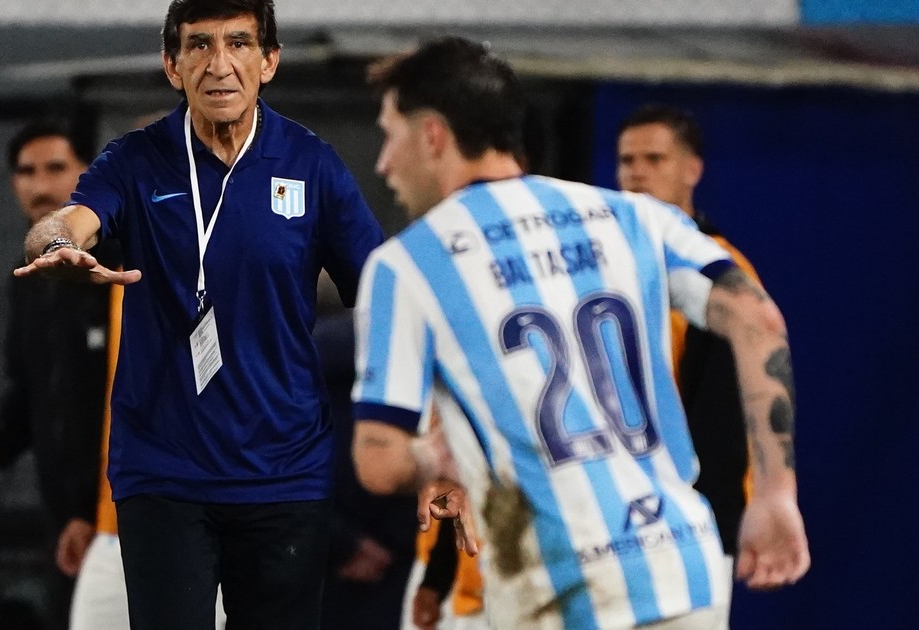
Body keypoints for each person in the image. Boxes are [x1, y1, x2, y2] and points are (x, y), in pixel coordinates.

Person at [351, 37, 809, 629]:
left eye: (390, 135)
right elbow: (757, 319)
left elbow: (379, 462)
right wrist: (775, 493)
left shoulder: (406, 266)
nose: (384, 163)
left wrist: (427, 457)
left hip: (557, 589)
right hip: (679, 569)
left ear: (433, 135)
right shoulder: (634, 216)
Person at [14, 0, 385, 626]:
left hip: (284, 475)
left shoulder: (311, 164)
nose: (219, 64)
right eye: (199, 45)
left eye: (238, 43)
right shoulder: (135, 160)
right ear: (172, 65)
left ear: (269, 62)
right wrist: (55, 245)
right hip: (165, 474)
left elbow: (383, 293)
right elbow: (70, 220)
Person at [0, 118, 112, 628]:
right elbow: (29, 389)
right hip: (65, 524)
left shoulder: (121, 270)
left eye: (55, 168)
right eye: (26, 172)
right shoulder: (28, 282)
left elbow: (129, 399)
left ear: (87, 172)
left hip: (127, 514)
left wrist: (93, 508)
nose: (41, 185)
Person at [616, 104, 761, 557]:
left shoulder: (718, 271)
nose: (637, 173)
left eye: (655, 159)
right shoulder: (611, 263)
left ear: (692, 170)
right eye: (627, 160)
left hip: (690, 521)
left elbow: (722, 421)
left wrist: (709, 523)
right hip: (619, 512)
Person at [315, 272, 416, 630]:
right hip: (397, 557)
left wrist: (342, 543)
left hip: (312, 556)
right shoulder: (407, 354)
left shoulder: (275, 369)